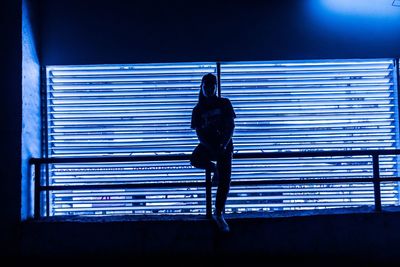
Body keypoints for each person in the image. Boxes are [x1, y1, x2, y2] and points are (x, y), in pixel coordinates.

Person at [190, 73, 236, 233]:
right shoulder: (197, 109)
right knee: (195, 159)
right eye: (206, 86)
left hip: (225, 145)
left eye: (212, 86)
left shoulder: (224, 103)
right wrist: (211, 149)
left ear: (215, 87)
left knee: (225, 179)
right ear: (201, 87)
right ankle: (214, 169)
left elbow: (231, 127)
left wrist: (223, 145)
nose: (209, 89)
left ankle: (218, 213)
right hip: (208, 145)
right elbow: (200, 134)